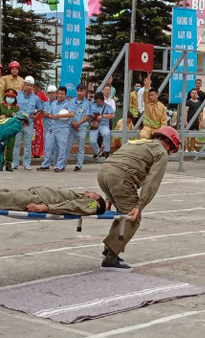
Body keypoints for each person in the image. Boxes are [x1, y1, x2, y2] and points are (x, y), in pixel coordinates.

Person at [97, 126, 179, 269]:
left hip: (103, 173)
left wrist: (108, 197)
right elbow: (152, 181)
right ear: (170, 146)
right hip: (120, 178)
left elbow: (118, 161)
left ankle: (109, 249)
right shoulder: (161, 152)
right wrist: (140, 206)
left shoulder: (139, 142)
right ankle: (110, 259)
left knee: (123, 214)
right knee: (133, 217)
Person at [0, 186, 106, 216]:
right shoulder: (84, 197)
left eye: (92, 193)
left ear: (96, 198)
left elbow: (72, 206)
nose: (89, 191)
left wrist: (45, 208)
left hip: (35, 199)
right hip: (31, 193)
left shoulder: (91, 203)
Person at [11, 78, 43, 171]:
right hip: (18, 122)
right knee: (16, 143)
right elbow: (12, 105)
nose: (28, 87)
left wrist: (35, 116)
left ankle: (27, 163)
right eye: (27, 85)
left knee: (28, 144)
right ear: (24, 85)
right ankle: (15, 163)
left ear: (33, 87)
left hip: (29, 124)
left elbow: (40, 109)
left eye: (30, 85)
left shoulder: (36, 98)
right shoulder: (17, 95)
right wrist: (13, 113)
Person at [40, 86, 74, 172]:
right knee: (47, 146)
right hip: (53, 127)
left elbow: (72, 114)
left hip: (63, 128)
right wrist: (52, 116)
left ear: (65, 95)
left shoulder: (68, 104)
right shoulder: (54, 103)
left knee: (61, 147)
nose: (60, 95)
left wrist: (60, 116)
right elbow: (49, 114)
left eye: (62, 94)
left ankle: (60, 166)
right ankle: (45, 164)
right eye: (58, 93)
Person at [68, 85, 92, 171]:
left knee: (81, 147)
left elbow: (87, 116)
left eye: (81, 90)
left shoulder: (87, 103)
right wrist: (73, 123)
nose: (79, 92)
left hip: (81, 127)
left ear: (85, 91)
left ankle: (79, 165)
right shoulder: (71, 101)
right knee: (68, 145)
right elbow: (69, 113)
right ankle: (62, 164)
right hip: (71, 127)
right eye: (78, 90)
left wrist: (78, 124)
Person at [89, 92, 114, 159]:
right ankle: (97, 151)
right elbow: (88, 115)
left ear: (102, 100)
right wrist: (93, 116)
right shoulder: (92, 106)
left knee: (106, 134)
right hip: (95, 125)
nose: (97, 103)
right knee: (92, 141)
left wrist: (103, 116)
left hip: (104, 125)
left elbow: (112, 115)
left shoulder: (107, 106)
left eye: (99, 101)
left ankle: (106, 151)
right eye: (96, 101)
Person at [184, 88, 203, 152]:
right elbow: (186, 111)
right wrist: (185, 121)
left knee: (193, 136)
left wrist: (201, 121)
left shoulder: (199, 102)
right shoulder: (188, 102)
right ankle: (186, 148)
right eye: (192, 93)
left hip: (196, 121)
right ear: (190, 94)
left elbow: (201, 113)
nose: (194, 94)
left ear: (197, 94)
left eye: (195, 93)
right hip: (189, 120)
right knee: (186, 135)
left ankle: (192, 148)